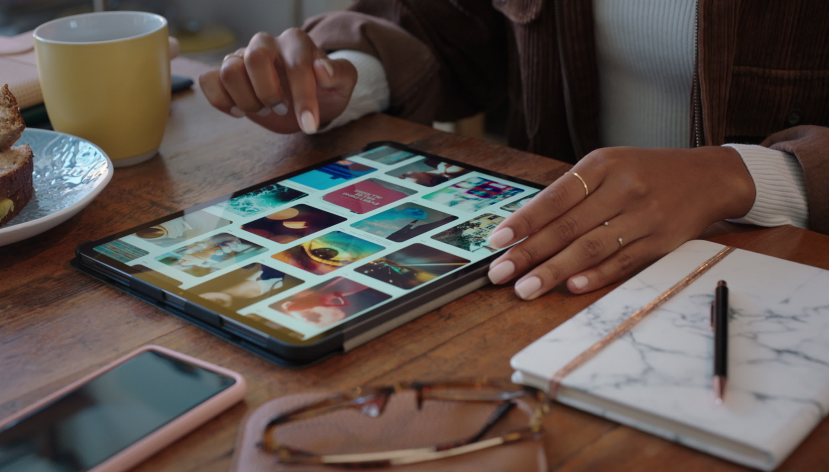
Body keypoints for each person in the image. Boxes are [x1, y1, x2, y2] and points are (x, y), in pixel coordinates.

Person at [199, 0, 829, 300]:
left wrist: (737, 175)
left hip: (780, 292)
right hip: (554, 280)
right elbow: (447, 26)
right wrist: (346, 77)